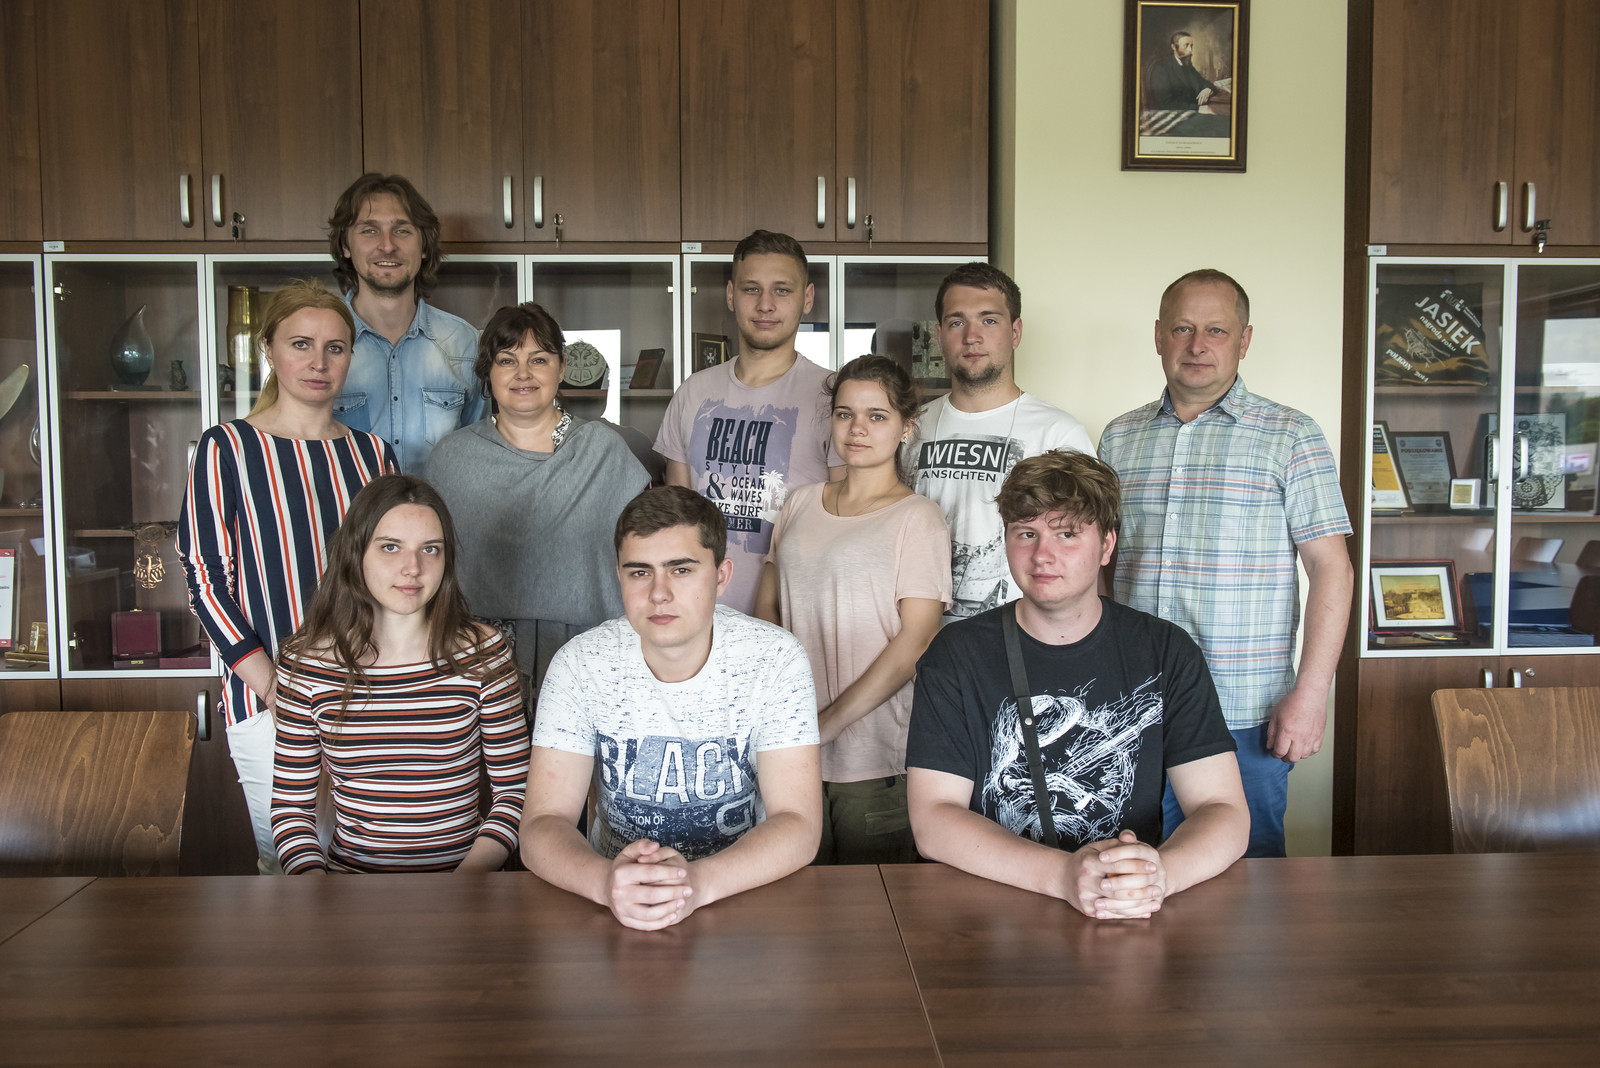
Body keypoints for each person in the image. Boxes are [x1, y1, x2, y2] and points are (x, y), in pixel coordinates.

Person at [906, 451, 1248, 918]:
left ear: (1106, 546)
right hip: (989, 910)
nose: (1042, 555)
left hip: (1124, 906)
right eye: (1026, 533)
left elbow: (1222, 808)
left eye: (1067, 534)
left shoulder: (1165, 650)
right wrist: (1063, 877)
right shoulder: (956, 654)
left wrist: (1159, 877)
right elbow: (933, 818)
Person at [1098, 269, 1353, 858]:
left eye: (1216, 330)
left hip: (1244, 711)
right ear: (1158, 336)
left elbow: (1331, 569)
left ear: (1245, 340)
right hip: (1135, 708)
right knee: (1132, 869)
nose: (1197, 345)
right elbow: (1103, 564)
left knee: (1246, 879)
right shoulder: (1119, 438)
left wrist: (1311, 695)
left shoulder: (1291, 435)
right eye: (1182, 329)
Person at [520, 486, 821, 931]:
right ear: (619, 577)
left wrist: (694, 885)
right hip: (614, 901)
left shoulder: (776, 658)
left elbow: (798, 823)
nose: (659, 593)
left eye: (681, 570)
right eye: (640, 572)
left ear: (721, 576)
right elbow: (542, 823)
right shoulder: (579, 663)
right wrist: (605, 882)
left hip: (741, 894)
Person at [178, 280, 399, 873]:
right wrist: (277, 688)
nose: (318, 362)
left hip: (369, 693)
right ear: (269, 351)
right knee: (290, 865)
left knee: (374, 862)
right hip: (267, 695)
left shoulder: (373, 457)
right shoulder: (226, 448)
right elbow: (204, 581)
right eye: (301, 344)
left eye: (335, 347)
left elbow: (395, 578)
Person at [270, 475, 530, 874]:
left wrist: (463, 886)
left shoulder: (485, 653)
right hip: (348, 890)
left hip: (467, 889)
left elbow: (515, 793)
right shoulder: (304, 664)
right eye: (391, 547)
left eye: (430, 549)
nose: (413, 568)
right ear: (355, 552)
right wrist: (315, 890)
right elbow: (291, 810)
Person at [755, 356, 951, 864]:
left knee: (874, 903)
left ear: (906, 427)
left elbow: (918, 640)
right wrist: (786, 719)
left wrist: (827, 723)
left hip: (874, 758)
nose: (857, 428)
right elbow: (766, 610)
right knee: (791, 896)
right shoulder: (799, 503)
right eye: (845, 414)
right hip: (790, 753)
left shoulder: (918, 518)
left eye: (876, 416)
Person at [425, 302, 648, 692]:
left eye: (539, 359)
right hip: (475, 652)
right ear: (488, 372)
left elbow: (644, 557)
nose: (523, 374)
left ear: (561, 369)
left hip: (586, 652)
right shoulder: (451, 458)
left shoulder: (603, 451)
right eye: (507, 360)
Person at [655, 230, 842, 614]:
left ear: (807, 298)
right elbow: (678, 522)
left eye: (782, 290)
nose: (765, 304)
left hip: (795, 614)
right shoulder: (692, 393)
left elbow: (848, 520)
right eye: (751, 289)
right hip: (703, 612)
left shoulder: (834, 397)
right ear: (730, 295)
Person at [908, 262, 1093, 622]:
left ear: (1015, 332)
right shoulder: (912, 427)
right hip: (919, 631)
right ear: (939, 334)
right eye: (956, 322)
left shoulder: (1059, 433)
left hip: (1018, 634)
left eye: (989, 320)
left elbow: (1083, 551)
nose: (971, 336)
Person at [328, 173, 485, 474]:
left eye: (402, 230)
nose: (387, 246)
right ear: (345, 245)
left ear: (424, 246)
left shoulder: (464, 344)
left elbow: (478, 460)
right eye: (369, 230)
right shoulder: (319, 343)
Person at [1145, 31, 1220, 112]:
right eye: (1186, 45)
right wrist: (1198, 108)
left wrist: (1208, 89)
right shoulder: (1161, 69)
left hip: (1193, 111)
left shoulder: (1187, 65)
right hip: (1175, 115)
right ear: (1174, 47)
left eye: (1191, 46)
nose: (1190, 50)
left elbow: (1203, 82)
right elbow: (1166, 104)